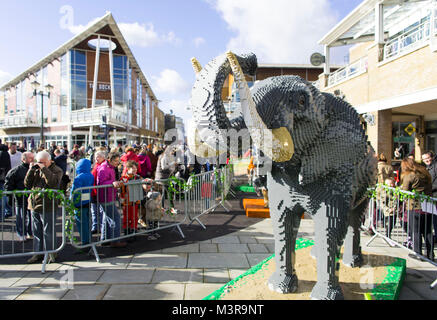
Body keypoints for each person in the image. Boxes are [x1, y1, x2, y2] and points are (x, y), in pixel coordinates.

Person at [24, 151, 63, 264]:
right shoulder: (35, 169)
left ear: (50, 161)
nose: (40, 164)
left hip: (48, 205)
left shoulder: (57, 170)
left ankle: (51, 254)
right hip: (34, 204)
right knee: (36, 231)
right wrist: (31, 170)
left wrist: (44, 169)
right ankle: (37, 254)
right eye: (39, 162)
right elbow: (27, 184)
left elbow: (53, 183)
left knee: (48, 231)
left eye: (43, 162)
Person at [401, 158, 434, 261]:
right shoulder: (425, 173)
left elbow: (405, 191)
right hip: (428, 205)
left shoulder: (409, 175)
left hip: (415, 206)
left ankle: (418, 254)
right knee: (428, 231)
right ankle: (431, 254)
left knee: (416, 231)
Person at [97, 152, 126, 248]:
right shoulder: (104, 168)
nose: (117, 163)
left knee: (107, 217)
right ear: (109, 160)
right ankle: (115, 240)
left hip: (108, 196)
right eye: (116, 161)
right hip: (105, 197)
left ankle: (105, 239)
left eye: (118, 161)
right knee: (115, 218)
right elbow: (100, 183)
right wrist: (112, 182)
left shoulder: (110, 168)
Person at [4, 152, 34, 241]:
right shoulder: (16, 170)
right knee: (21, 217)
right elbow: (8, 183)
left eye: (33, 158)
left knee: (31, 216)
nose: (32, 160)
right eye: (30, 158)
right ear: (23, 159)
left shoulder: (36, 169)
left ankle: (30, 232)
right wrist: (10, 196)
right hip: (20, 198)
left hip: (31, 198)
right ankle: (21, 234)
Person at [70, 158, 94, 246]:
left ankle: (85, 242)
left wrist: (71, 201)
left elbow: (75, 191)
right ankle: (88, 239)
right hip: (87, 201)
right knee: (87, 222)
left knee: (81, 223)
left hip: (79, 203)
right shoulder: (91, 175)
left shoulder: (79, 177)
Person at [120, 161, 142, 239]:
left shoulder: (138, 177)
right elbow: (121, 191)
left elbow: (142, 185)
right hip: (126, 201)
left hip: (135, 200)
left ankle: (133, 230)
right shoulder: (123, 178)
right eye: (132, 168)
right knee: (126, 217)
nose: (134, 169)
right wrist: (122, 202)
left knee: (134, 216)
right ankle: (126, 231)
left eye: (135, 168)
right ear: (128, 168)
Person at [422, 151, 437, 244]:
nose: (427, 160)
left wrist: (429, 188)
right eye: (424, 159)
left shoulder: (435, 167)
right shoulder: (426, 168)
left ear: (432, 157)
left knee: (435, 218)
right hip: (429, 196)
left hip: (434, 195)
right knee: (432, 218)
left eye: (428, 158)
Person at [90, 150, 106, 234]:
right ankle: (95, 226)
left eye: (98, 156)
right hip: (94, 191)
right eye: (95, 156)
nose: (96, 158)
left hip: (100, 191)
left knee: (100, 211)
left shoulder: (104, 166)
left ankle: (100, 227)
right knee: (94, 211)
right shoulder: (96, 165)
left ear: (103, 157)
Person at [0, 142, 12, 218]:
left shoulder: (3, 153)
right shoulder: (5, 152)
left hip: (2, 178)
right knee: (3, 197)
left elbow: (3, 167)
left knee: (2, 198)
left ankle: (2, 214)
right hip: (4, 177)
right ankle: (7, 211)